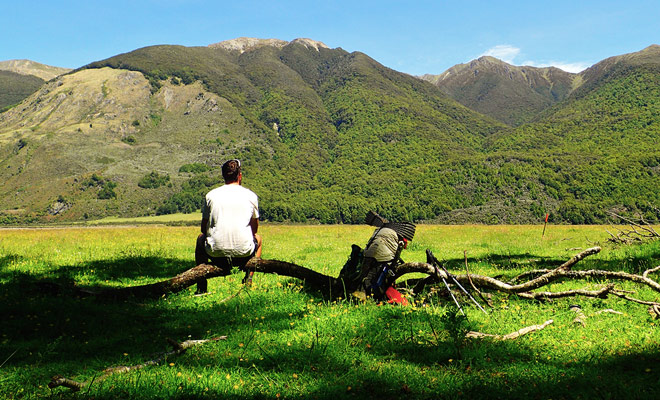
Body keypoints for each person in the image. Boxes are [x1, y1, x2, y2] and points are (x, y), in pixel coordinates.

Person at [194, 159, 262, 294]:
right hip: (243, 253)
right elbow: (254, 230)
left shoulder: (211, 196)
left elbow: (204, 228)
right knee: (259, 239)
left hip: (215, 253)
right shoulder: (251, 196)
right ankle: (249, 278)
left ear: (223, 175)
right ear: (240, 175)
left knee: (200, 239)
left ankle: (202, 286)